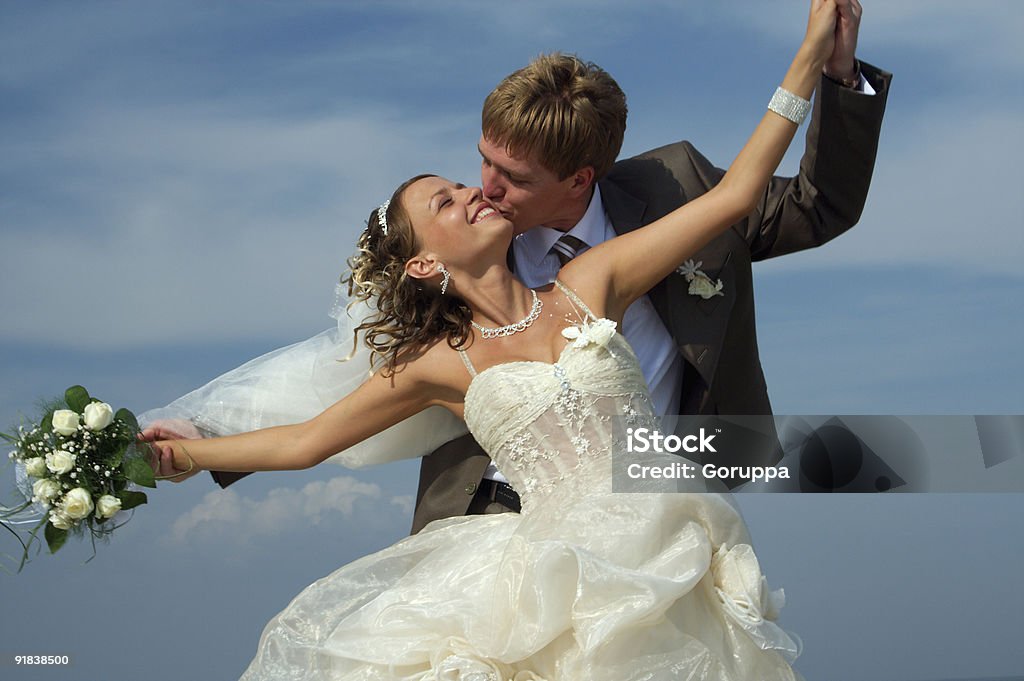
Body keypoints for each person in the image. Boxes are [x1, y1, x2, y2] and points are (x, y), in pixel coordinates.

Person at [149, 4, 843, 677]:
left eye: (467, 184)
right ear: (423, 264)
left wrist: (809, 59)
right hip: (531, 571)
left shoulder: (590, 277)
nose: (477, 192)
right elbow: (305, 439)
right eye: (448, 202)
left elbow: (735, 197)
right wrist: (184, 452)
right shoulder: (437, 363)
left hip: (664, 552)